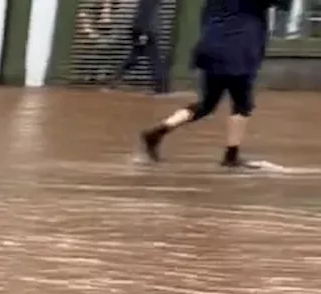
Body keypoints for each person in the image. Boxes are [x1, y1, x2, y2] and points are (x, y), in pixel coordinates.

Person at [139, 0, 285, 169]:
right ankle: (231, 156)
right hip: (240, 50)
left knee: (208, 103)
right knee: (242, 104)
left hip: (212, 48)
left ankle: (159, 131)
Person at [106, 0, 169, 94]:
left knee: (135, 56)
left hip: (143, 30)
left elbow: (143, 14)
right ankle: (160, 86)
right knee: (153, 59)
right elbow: (145, 15)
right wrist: (144, 32)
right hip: (146, 31)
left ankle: (115, 78)